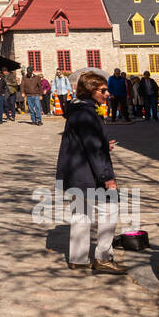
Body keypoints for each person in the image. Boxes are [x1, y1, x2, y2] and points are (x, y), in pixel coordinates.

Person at [55, 70, 126, 274]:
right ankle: (103, 257)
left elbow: (86, 143)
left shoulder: (78, 111)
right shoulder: (86, 114)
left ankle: (78, 258)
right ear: (90, 91)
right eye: (103, 90)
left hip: (75, 171)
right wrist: (107, 177)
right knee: (108, 211)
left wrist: (104, 144)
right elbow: (93, 149)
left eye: (107, 90)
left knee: (81, 214)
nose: (107, 94)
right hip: (88, 172)